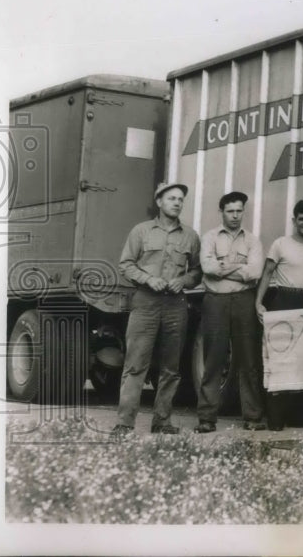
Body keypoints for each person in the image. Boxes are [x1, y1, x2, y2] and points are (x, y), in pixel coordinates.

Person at [111, 182, 201, 437]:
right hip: (145, 301)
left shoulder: (190, 236)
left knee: (171, 367)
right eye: (171, 198)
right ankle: (124, 422)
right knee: (136, 364)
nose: (176, 203)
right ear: (159, 202)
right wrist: (149, 279)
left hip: (175, 305)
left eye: (180, 199)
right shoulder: (141, 231)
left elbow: (196, 272)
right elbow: (126, 264)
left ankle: (162, 421)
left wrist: (182, 281)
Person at [194, 191, 265, 433]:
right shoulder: (210, 237)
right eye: (230, 211)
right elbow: (207, 267)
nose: (235, 216)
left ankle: (253, 417)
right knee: (213, 359)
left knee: (248, 359)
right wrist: (239, 268)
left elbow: (255, 272)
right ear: (221, 212)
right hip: (216, 301)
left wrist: (224, 267)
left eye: (239, 211)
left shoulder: (253, 241)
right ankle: (206, 418)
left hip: (244, 300)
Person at [255, 199, 303, 430]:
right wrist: (258, 303)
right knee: (280, 360)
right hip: (284, 301)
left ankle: (299, 416)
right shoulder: (280, 244)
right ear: (294, 221)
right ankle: (275, 417)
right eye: (301, 219)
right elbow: (266, 274)